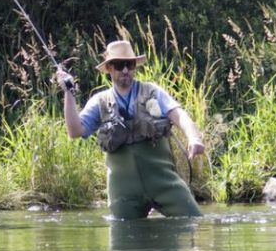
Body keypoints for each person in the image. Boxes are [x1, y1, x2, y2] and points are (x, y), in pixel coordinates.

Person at [59, 40, 205, 219]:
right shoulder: (100, 101)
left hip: (164, 183)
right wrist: (68, 92)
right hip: (123, 192)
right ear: (110, 69)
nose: (126, 70)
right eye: (120, 65)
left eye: (130, 64)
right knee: (124, 244)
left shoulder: (152, 91)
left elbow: (179, 115)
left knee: (195, 222)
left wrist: (194, 138)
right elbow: (75, 131)